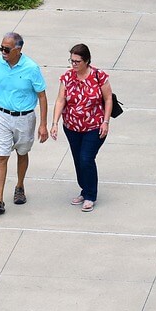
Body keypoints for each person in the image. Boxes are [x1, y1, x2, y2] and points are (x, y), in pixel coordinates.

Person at [0, 32, 48, 213]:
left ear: (18, 49)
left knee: (22, 152)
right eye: (1, 48)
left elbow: (42, 96)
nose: (3, 52)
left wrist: (43, 124)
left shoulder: (31, 68)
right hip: (3, 116)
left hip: (25, 118)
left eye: (6, 49)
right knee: (2, 156)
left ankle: (19, 186)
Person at [49, 43, 112, 212]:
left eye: (77, 61)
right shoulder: (67, 78)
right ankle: (84, 189)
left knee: (86, 158)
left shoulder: (99, 76)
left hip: (94, 126)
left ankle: (91, 194)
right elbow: (61, 100)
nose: (74, 64)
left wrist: (105, 121)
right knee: (78, 159)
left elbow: (108, 99)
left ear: (86, 61)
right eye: (72, 60)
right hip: (72, 127)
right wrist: (54, 123)